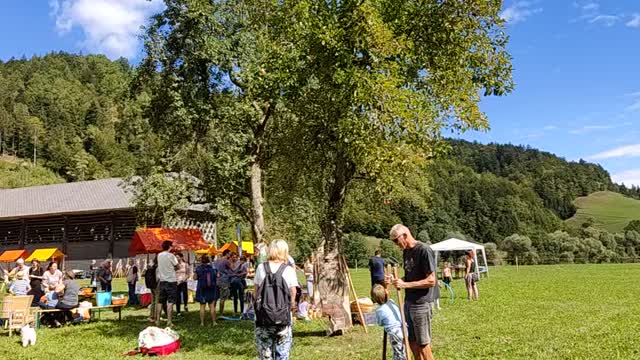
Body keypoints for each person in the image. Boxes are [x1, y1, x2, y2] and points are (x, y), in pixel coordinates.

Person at [388, 224, 436, 360]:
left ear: (404, 235)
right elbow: (409, 277)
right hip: (408, 302)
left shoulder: (423, 250)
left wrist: (405, 284)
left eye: (396, 240)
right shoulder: (406, 252)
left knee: (423, 344)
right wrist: (397, 280)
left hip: (421, 304)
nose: (396, 244)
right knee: (411, 342)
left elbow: (431, 280)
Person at [254, 239, 299, 360]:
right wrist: (291, 306)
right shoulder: (289, 270)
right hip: (283, 317)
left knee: (265, 354)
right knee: (282, 353)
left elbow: (256, 292)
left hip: (263, 317)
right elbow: (293, 292)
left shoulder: (261, 268)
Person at [371, 284, 406, 360]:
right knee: (402, 350)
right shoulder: (391, 302)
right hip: (404, 328)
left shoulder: (379, 310)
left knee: (398, 353)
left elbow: (380, 323)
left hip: (395, 333)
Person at [155, 240, 178, 327]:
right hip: (171, 281)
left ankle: (157, 320)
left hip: (162, 281)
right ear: (169, 246)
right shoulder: (171, 256)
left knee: (160, 302)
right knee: (170, 302)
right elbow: (177, 265)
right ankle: (169, 321)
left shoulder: (159, 255)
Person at [194, 255, 218, 326]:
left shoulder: (198, 268)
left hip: (201, 288)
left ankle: (202, 323)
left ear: (201, 261)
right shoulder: (213, 268)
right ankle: (214, 322)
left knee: (202, 306)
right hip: (211, 288)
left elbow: (194, 278)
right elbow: (218, 275)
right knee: (212, 306)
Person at [214, 250, 232, 316]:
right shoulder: (226, 261)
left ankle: (213, 311)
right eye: (229, 254)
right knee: (222, 298)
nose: (230, 256)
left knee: (215, 298)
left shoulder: (216, 261)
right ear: (226, 254)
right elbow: (232, 269)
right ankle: (221, 313)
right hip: (224, 281)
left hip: (216, 281)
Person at [144, 258, 159, 322]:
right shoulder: (156, 268)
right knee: (157, 301)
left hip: (150, 286)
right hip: (156, 285)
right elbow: (157, 278)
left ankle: (151, 316)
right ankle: (156, 316)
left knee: (153, 301)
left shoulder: (149, 268)